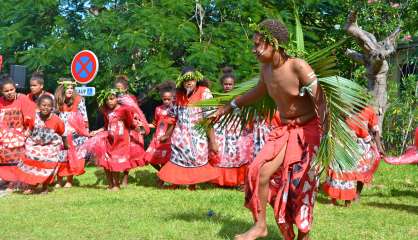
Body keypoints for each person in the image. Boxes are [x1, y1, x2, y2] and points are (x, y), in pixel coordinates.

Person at [213, 19, 326, 240]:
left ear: (273, 43)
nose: (254, 50)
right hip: (284, 130)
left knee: (299, 185)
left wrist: (327, 137)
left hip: (307, 130)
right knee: (258, 171)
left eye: (258, 44)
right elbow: (258, 91)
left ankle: (303, 236)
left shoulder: (298, 66)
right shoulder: (266, 69)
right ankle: (260, 225)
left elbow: (320, 100)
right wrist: (231, 105)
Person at [157, 67, 220, 190]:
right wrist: (166, 135)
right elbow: (172, 118)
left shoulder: (204, 92)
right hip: (180, 136)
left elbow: (209, 118)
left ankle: (192, 185)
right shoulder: (178, 95)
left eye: (192, 79)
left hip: (197, 136)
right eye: (186, 80)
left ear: (197, 79)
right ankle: (176, 183)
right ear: (182, 82)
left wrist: (213, 141)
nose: (189, 82)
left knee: (196, 159)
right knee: (178, 159)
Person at [323, 105, 383, 206]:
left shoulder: (369, 111)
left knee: (361, 172)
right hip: (345, 144)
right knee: (340, 172)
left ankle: (355, 195)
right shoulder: (346, 109)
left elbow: (375, 130)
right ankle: (335, 196)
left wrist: (379, 147)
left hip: (363, 146)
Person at [90, 89, 144, 191]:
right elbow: (106, 126)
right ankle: (110, 184)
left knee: (115, 162)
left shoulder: (124, 110)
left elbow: (130, 123)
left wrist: (138, 128)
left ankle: (117, 185)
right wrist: (97, 131)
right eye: (107, 100)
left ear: (117, 99)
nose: (110, 102)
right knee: (106, 161)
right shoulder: (106, 111)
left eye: (112, 99)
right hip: (109, 139)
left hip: (121, 141)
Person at [13, 95, 66, 194]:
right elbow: (30, 130)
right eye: (43, 105)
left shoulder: (56, 120)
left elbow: (63, 133)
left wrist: (66, 146)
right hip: (35, 143)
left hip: (50, 145)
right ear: (38, 106)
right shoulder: (34, 117)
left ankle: (45, 187)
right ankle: (32, 185)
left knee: (47, 162)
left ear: (52, 107)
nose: (46, 107)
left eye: (49, 106)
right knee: (30, 159)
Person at [210, 67, 253, 187]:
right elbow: (216, 113)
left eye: (230, 84)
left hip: (237, 130)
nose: (228, 86)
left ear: (234, 85)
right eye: (225, 84)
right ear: (222, 85)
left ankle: (240, 181)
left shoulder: (239, 97)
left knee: (240, 154)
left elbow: (245, 113)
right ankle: (219, 180)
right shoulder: (219, 98)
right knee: (222, 154)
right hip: (222, 130)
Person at [113, 75, 150, 187]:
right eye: (116, 88)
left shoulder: (131, 98)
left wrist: (140, 125)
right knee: (116, 154)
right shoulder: (112, 98)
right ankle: (116, 180)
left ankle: (125, 179)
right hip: (117, 128)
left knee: (127, 155)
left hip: (129, 129)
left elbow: (136, 112)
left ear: (125, 88)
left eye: (120, 88)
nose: (118, 91)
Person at [0, 77, 36, 191]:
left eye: (11, 90)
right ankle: (7, 179)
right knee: (4, 155)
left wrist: (27, 133)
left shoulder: (23, 99)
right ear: (1, 92)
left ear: (15, 88)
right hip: (4, 135)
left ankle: (16, 181)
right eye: (6, 91)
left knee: (18, 156)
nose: (9, 92)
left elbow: (30, 117)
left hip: (20, 134)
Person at [54, 78, 89, 188]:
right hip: (61, 132)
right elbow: (54, 116)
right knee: (61, 156)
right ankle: (59, 180)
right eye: (67, 88)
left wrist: (83, 130)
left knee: (71, 157)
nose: (70, 90)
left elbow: (84, 116)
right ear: (61, 90)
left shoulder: (79, 99)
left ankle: (69, 180)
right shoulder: (58, 101)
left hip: (75, 132)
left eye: (71, 88)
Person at [144, 81, 176, 187]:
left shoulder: (175, 110)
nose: (166, 101)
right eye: (164, 99)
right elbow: (154, 124)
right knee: (149, 158)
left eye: (168, 99)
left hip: (169, 139)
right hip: (157, 138)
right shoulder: (158, 109)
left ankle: (162, 179)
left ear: (173, 98)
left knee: (165, 160)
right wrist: (143, 124)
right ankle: (161, 173)